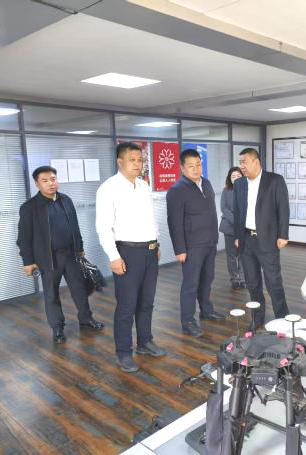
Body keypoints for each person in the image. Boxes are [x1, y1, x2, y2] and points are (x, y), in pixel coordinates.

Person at [96, 142, 166, 373]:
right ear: (120, 162)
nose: (138, 164)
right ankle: (123, 352)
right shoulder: (108, 188)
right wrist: (114, 257)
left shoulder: (144, 185)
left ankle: (145, 342)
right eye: (132, 160)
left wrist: (156, 243)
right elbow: (103, 227)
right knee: (127, 305)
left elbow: (150, 218)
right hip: (126, 253)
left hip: (149, 251)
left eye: (140, 160)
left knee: (147, 301)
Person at [17, 166, 104, 344]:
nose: (51, 183)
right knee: (51, 295)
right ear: (37, 184)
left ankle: (86, 319)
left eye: (53, 179)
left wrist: (80, 247)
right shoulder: (29, 207)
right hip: (48, 259)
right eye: (45, 180)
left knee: (79, 290)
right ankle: (57, 329)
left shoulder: (66, 200)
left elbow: (75, 226)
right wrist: (28, 262)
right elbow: (23, 238)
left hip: (71, 255)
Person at [166, 149, 226, 337]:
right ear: (182, 168)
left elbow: (211, 213)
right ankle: (188, 321)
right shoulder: (177, 190)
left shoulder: (206, 183)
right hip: (191, 246)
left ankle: (206, 310)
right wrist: (180, 249)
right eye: (190, 166)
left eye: (198, 164)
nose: (195, 169)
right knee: (190, 284)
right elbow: (174, 222)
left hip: (209, 242)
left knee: (207, 279)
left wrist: (215, 238)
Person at [233, 148, 290, 330]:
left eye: (245, 162)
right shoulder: (239, 184)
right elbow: (237, 212)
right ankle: (257, 319)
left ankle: (283, 319)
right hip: (246, 240)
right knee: (252, 283)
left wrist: (283, 235)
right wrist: (237, 236)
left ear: (256, 161)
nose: (242, 166)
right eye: (240, 162)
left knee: (273, 282)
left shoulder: (274, 180)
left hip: (268, 239)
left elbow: (283, 208)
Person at [219, 167, 245, 289]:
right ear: (229, 178)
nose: (236, 178)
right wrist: (236, 221)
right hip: (229, 227)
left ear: (242, 177)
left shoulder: (247, 190)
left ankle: (243, 278)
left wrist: (241, 222)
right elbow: (223, 208)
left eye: (238, 176)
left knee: (242, 254)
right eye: (233, 176)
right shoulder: (226, 191)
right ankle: (234, 279)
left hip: (244, 228)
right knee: (231, 255)